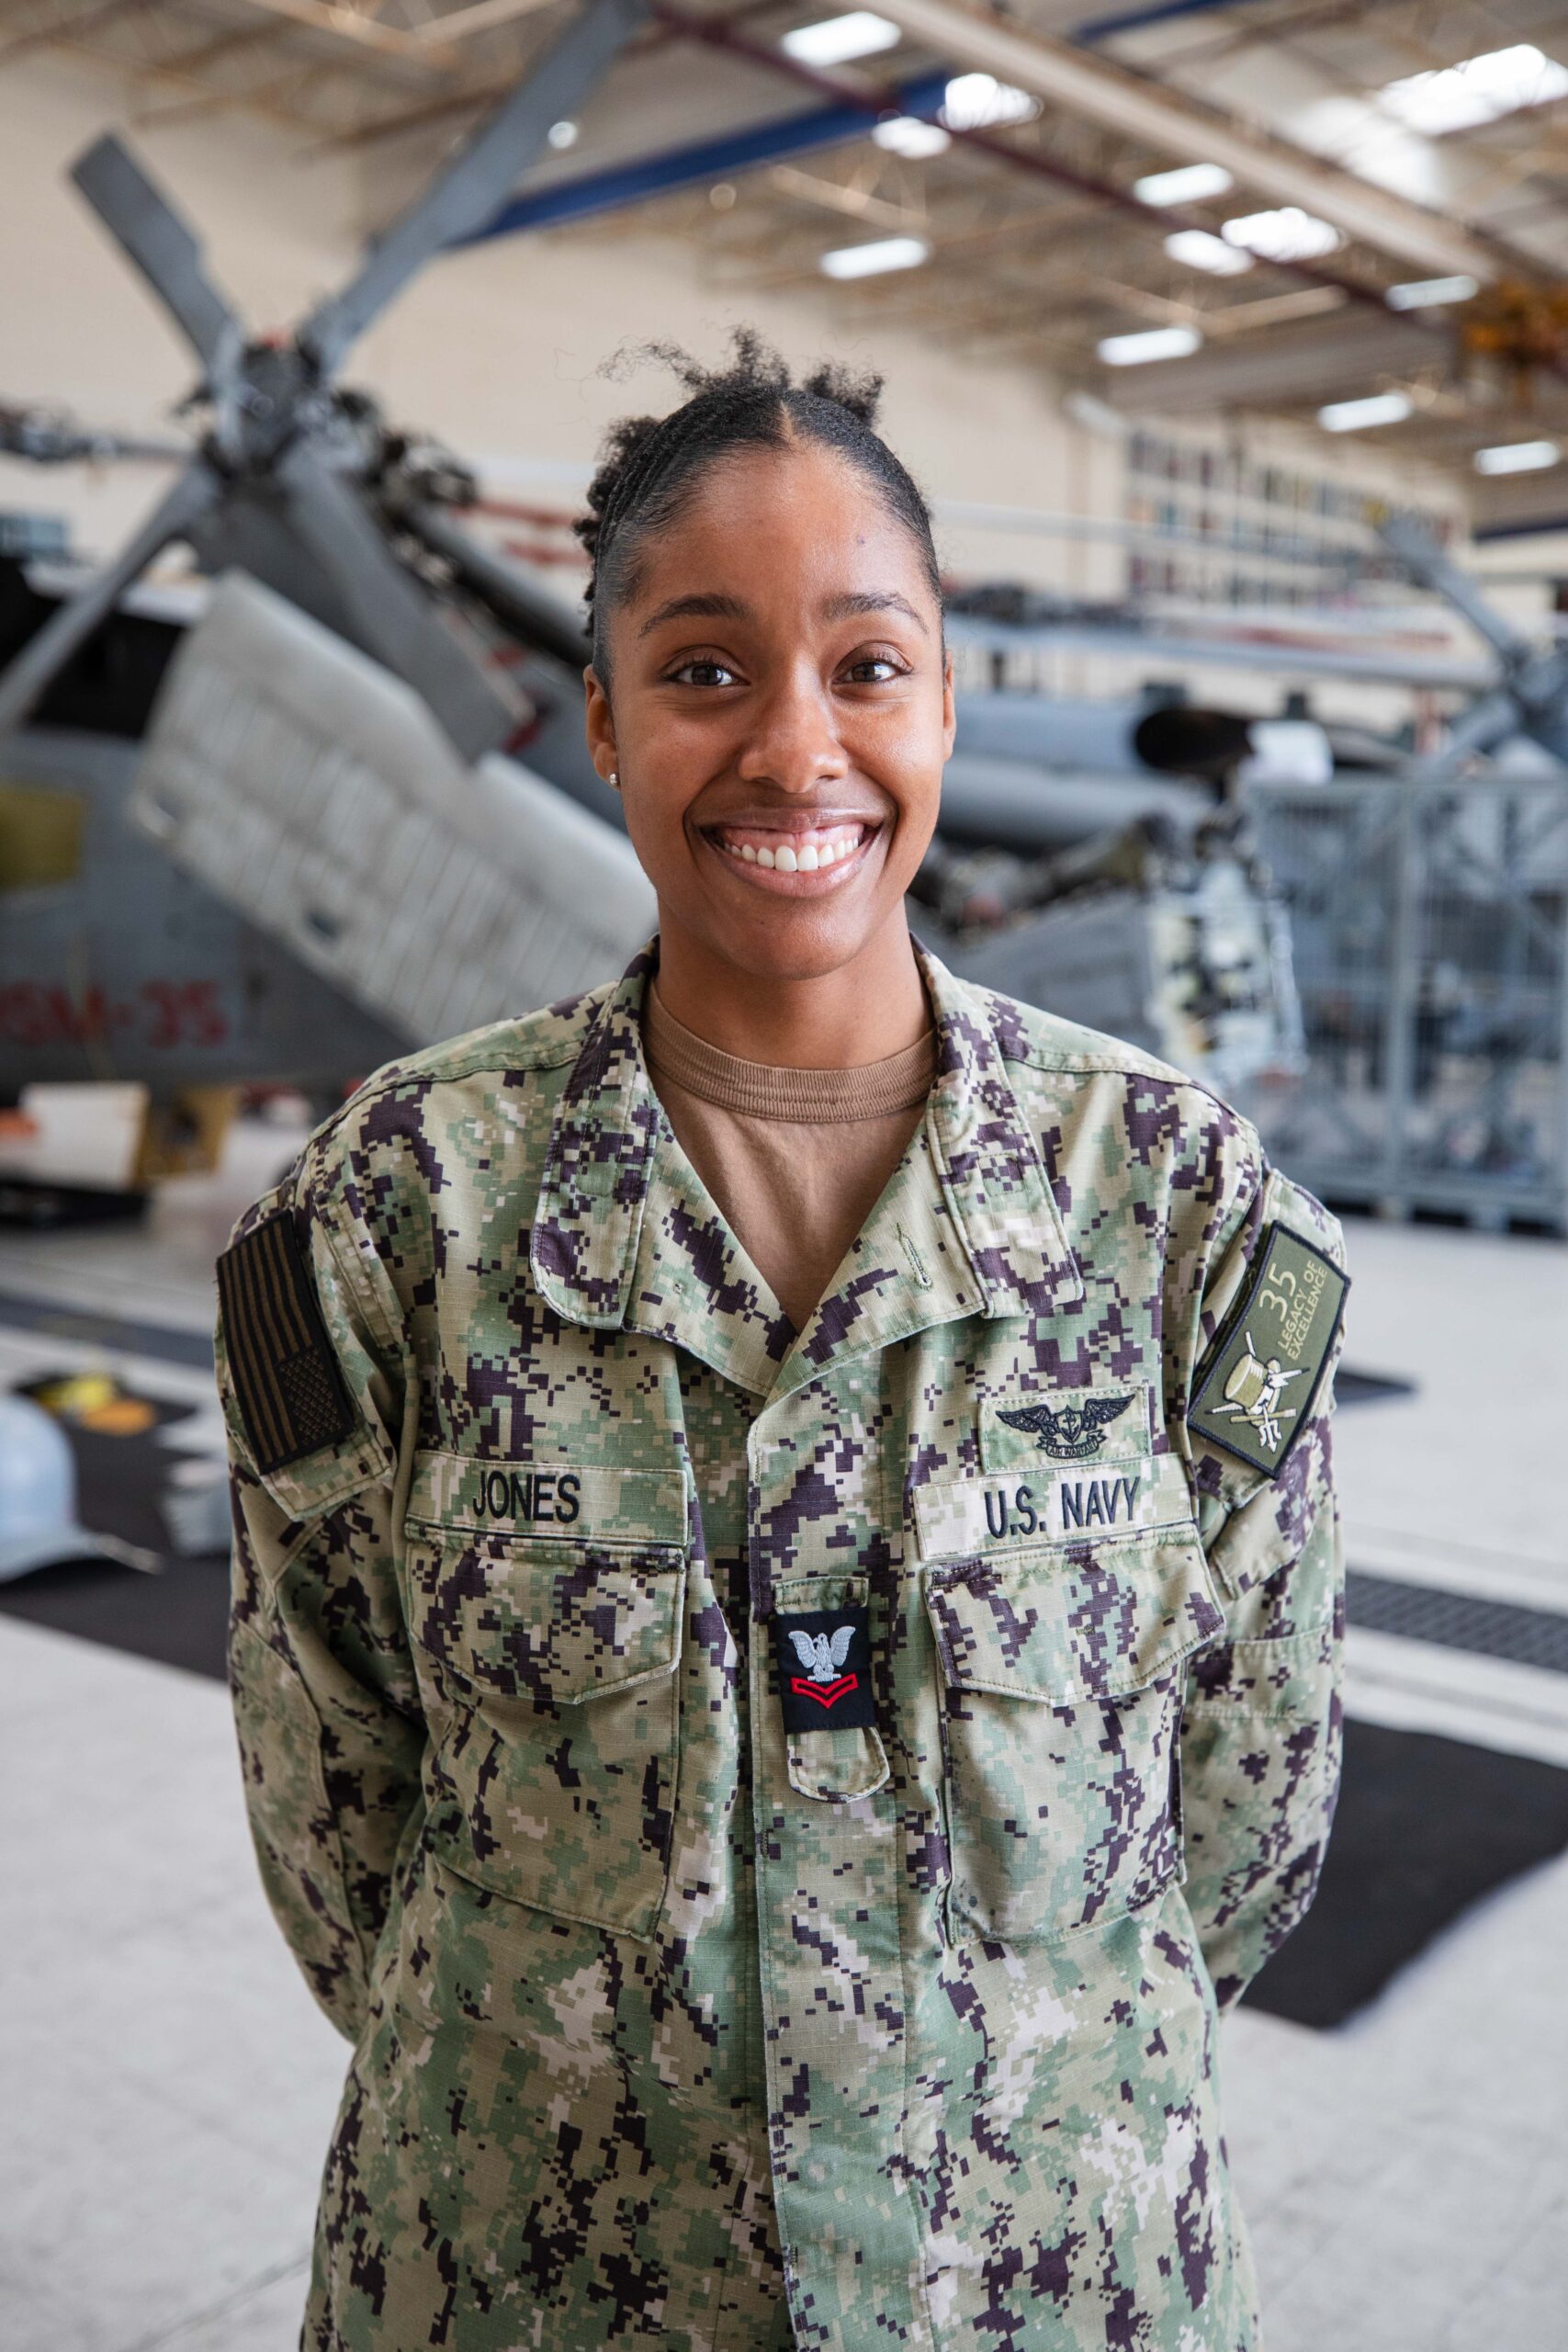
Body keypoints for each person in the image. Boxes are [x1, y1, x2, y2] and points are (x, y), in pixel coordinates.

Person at [217, 331, 1348, 2352]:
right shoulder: (398, 1209)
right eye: (705, 669)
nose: (794, 748)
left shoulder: (1173, 1199)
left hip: (1045, 2287)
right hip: (526, 2284)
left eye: (867, 664)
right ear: (601, 718)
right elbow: (337, 1818)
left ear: (944, 697)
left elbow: (1248, 1815)